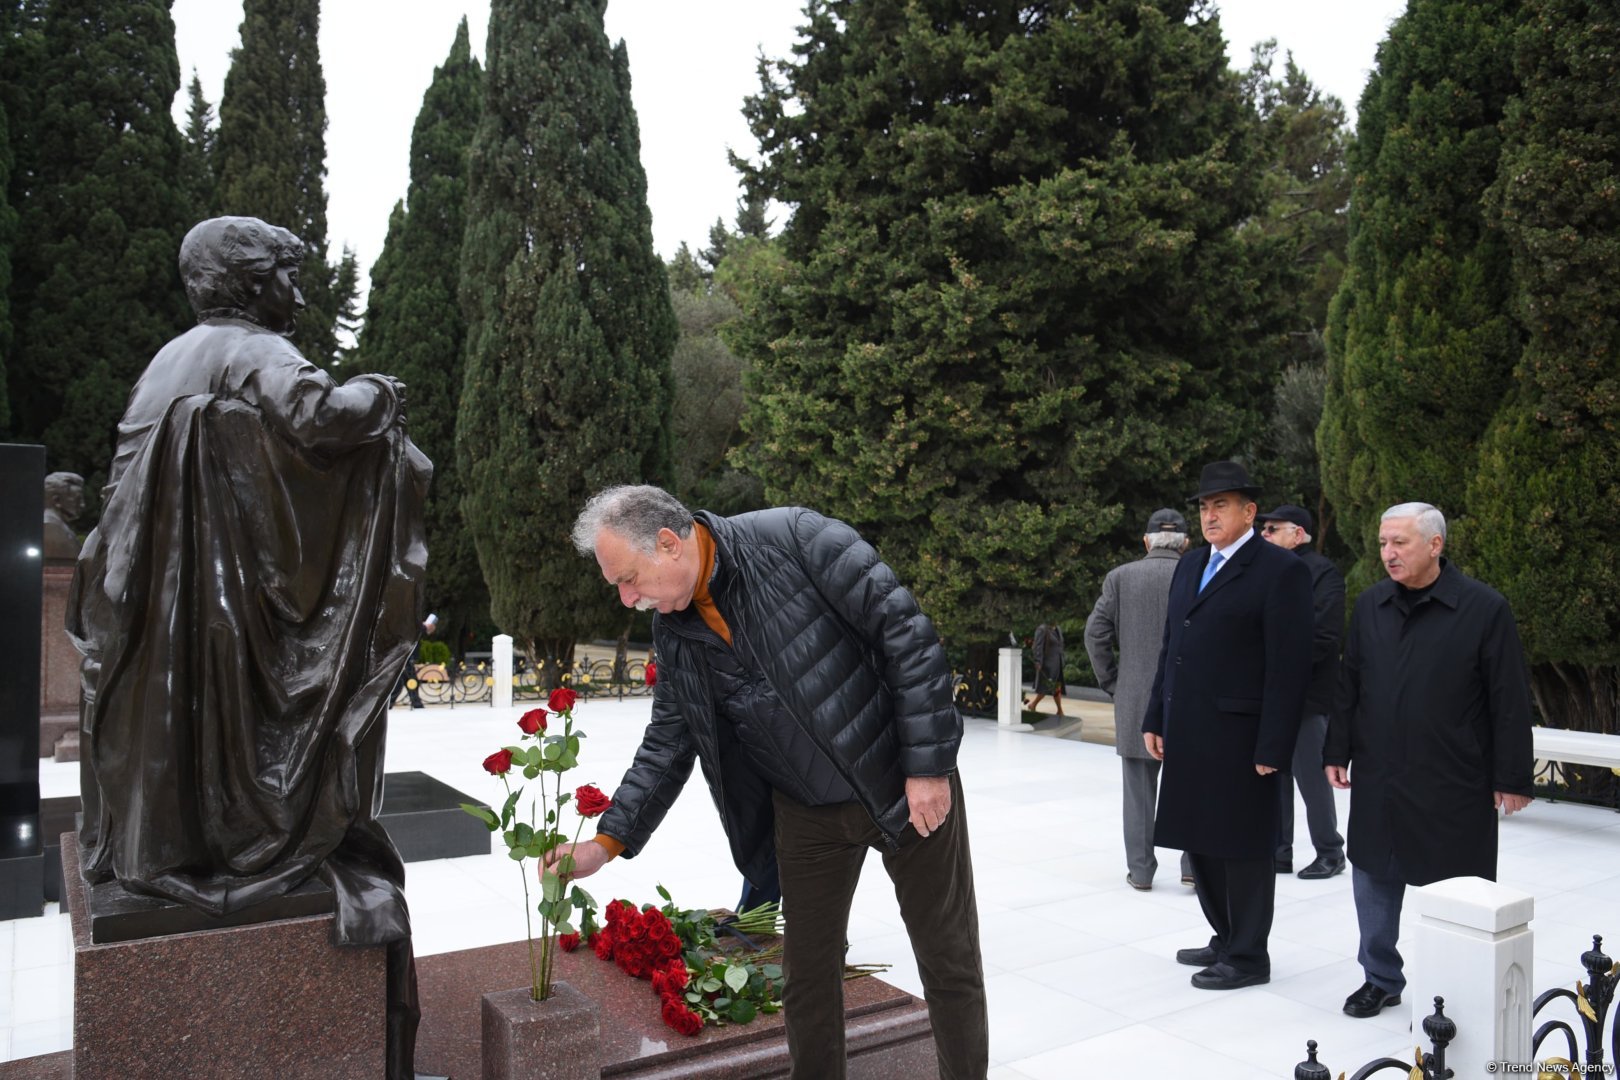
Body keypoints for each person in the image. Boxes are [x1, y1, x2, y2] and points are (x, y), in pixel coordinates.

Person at [67, 215, 427, 1078]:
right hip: (211, 612)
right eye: (286, 277)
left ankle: (173, 836)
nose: (297, 295)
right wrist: (382, 394)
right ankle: (237, 835)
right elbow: (322, 418)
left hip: (147, 608)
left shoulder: (170, 358)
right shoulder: (253, 348)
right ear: (250, 283)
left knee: (179, 729)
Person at [552, 484, 986, 1080]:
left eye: (629, 580)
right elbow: (667, 742)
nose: (627, 599)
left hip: (903, 786)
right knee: (806, 979)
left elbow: (907, 636)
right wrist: (605, 844)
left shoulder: (797, 539)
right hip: (805, 813)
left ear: (669, 543)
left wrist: (928, 768)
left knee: (948, 961)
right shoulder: (673, 631)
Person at [1325, 502, 1534, 1019]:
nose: (1388, 553)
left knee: (1458, 885)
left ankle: (1457, 986)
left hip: (1453, 775)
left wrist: (1511, 776)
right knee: (1373, 874)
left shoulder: (1484, 608)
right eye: (1383, 543)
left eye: (1400, 542)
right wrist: (1336, 749)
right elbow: (1350, 683)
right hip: (1380, 772)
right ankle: (1380, 978)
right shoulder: (1371, 604)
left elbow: (1509, 697)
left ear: (1435, 544)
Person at [1142, 461, 1312, 991]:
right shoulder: (1191, 564)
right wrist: (1155, 714)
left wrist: (1274, 744)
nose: (1209, 515)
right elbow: (1172, 646)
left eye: (1221, 505)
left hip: (1243, 736)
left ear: (1249, 511)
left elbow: (1290, 666)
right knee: (1200, 838)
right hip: (1189, 730)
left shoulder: (1279, 571)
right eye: (1204, 506)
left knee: (1242, 846)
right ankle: (1225, 935)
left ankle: (1248, 955)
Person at [1084, 507, 1195, 891]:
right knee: (1191, 788)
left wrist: (1113, 682)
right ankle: (1193, 868)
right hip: (1189, 699)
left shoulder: (1120, 577)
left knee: (1138, 793)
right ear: (1186, 543)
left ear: (1146, 541)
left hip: (1134, 699)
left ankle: (1142, 871)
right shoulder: (1199, 575)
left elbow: (1095, 634)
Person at [1255, 504, 1346, 879]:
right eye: (1263, 529)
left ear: (1298, 534)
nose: (1264, 535)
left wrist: (1281, 669)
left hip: (1307, 695)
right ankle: (1279, 851)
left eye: (1272, 529)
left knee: (1311, 776)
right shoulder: (1265, 570)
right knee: (1273, 771)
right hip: (1270, 692)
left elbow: (1324, 634)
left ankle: (1330, 852)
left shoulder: (1322, 573)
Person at [1024, 620, 1066, 716]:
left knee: (1056, 686)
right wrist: (1038, 661)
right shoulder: (1042, 629)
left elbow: (1060, 646)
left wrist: (1062, 659)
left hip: (1057, 664)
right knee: (1047, 687)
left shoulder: (1058, 629)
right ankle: (1035, 705)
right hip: (1047, 665)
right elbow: (1037, 647)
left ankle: (1059, 710)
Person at [42, 471, 86, 559]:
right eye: (77, 500)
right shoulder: (51, 528)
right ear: (57, 501)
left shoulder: (57, 527)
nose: (82, 505)